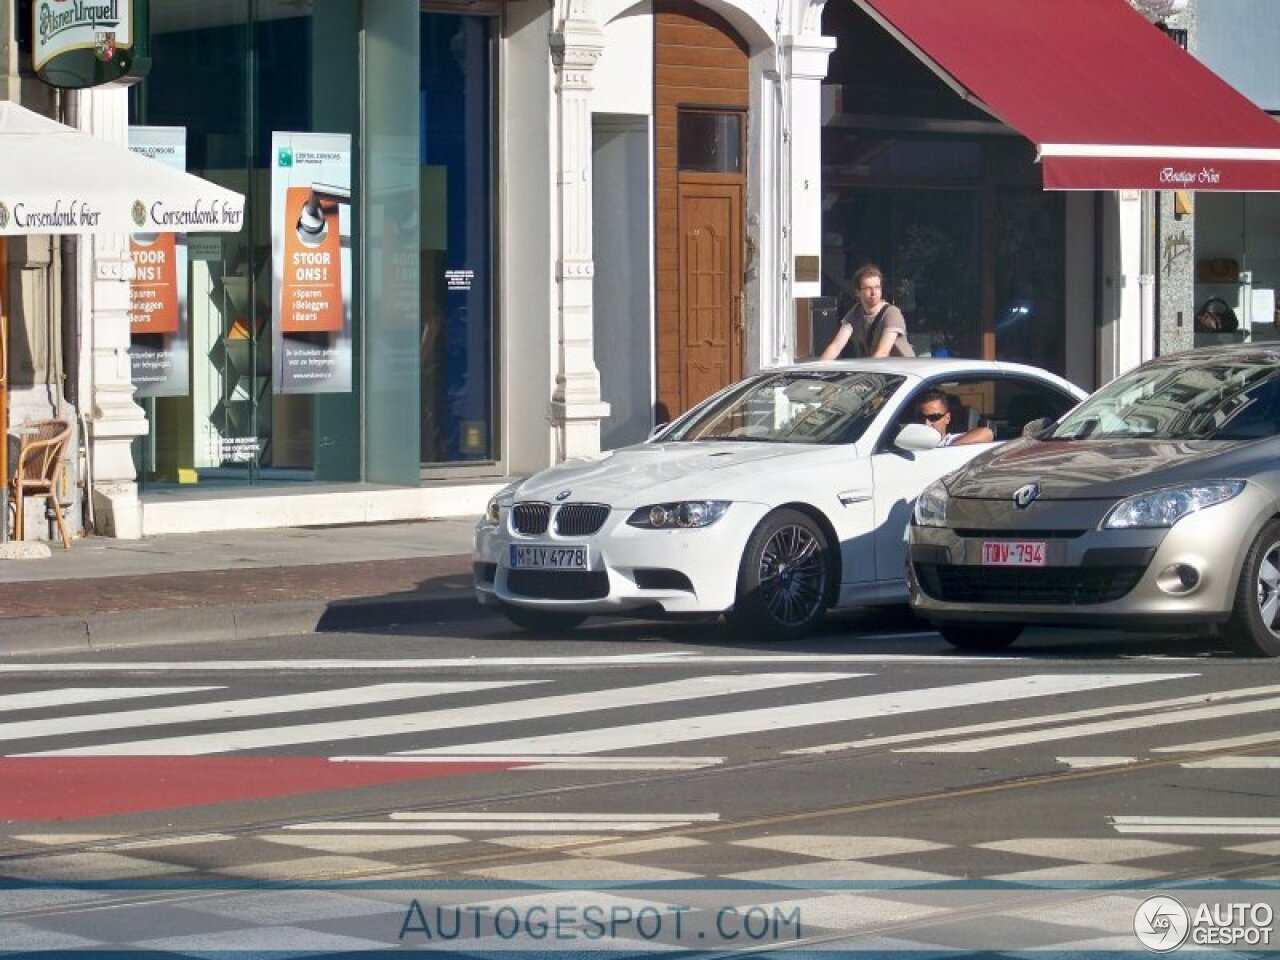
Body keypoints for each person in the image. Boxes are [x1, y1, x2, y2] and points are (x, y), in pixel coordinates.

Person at [819, 264, 914, 359]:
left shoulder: (892, 313)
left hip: (904, 370)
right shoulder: (855, 312)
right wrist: (819, 368)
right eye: (868, 288)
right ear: (858, 292)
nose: (873, 293)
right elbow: (836, 346)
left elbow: (882, 352)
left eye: (877, 287)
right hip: (879, 368)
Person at [916, 389, 993, 446]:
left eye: (933, 417)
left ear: (947, 418)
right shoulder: (911, 440)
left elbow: (986, 433)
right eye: (921, 417)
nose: (926, 423)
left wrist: (949, 449)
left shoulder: (951, 440)